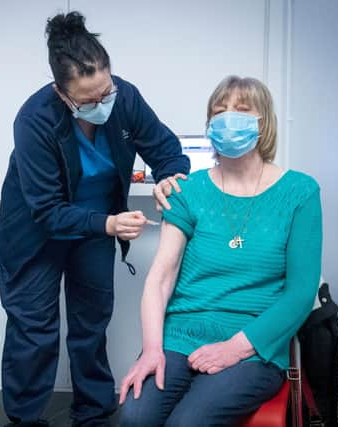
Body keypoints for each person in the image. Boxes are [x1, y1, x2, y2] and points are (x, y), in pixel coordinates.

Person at [0, 11, 190, 427]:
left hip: (96, 228)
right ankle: (26, 420)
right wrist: (109, 225)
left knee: (90, 325)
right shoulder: (34, 120)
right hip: (36, 234)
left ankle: (94, 415)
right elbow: (46, 211)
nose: (102, 104)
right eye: (88, 100)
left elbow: (166, 148)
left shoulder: (126, 98)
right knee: (34, 333)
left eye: (107, 92)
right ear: (61, 93)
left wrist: (171, 177)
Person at [118, 75, 323, 426]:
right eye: (219, 111)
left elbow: (301, 294)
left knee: (188, 423)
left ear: (264, 122)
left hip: (255, 345)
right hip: (180, 336)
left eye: (242, 110)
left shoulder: (300, 192)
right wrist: (151, 349)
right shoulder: (187, 190)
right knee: (133, 418)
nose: (228, 118)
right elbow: (161, 278)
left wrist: (236, 348)